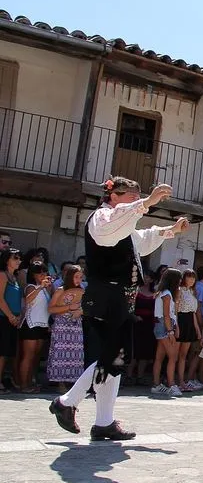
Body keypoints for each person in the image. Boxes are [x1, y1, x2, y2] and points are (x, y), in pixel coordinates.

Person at [48, 178, 189, 440]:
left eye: (138, 196)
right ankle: (67, 402)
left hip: (120, 299)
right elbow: (111, 227)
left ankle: (103, 422)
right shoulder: (102, 217)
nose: (136, 201)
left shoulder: (124, 226)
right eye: (131, 196)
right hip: (105, 296)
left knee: (116, 360)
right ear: (114, 196)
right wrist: (146, 202)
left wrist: (172, 229)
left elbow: (142, 240)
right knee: (112, 357)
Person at [47, 264, 86, 389]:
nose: (78, 280)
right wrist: (69, 307)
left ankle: (73, 382)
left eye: (80, 277)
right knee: (60, 353)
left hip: (76, 325)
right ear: (70, 277)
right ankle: (60, 383)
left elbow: (86, 307)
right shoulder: (60, 290)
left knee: (76, 354)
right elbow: (51, 309)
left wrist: (80, 311)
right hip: (61, 326)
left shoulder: (82, 290)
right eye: (76, 277)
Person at [18, 263, 52, 392]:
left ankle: (30, 382)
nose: (43, 275)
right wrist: (40, 287)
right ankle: (23, 385)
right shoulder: (31, 287)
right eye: (39, 273)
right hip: (30, 324)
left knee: (35, 357)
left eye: (45, 272)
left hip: (42, 325)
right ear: (33, 275)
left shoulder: (45, 289)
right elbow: (28, 300)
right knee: (28, 356)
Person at [150, 268, 183, 397]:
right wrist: (170, 332)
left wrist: (175, 327)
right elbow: (166, 315)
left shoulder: (164, 293)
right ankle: (171, 384)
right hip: (164, 326)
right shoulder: (167, 294)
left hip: (164, 324)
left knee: (160, 357)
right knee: (173, 356)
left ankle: (156, 384)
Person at [0, 248, 22, 393]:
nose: (19, 261)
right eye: (15, 258)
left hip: (13, 319)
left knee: (7, 353)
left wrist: (17, 316)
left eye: (19, 258)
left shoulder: (15, 277)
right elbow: (0, 299)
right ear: (6, 260)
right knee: (1, 352)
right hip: (3, 318)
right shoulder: (2, 275)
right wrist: (10, 316)